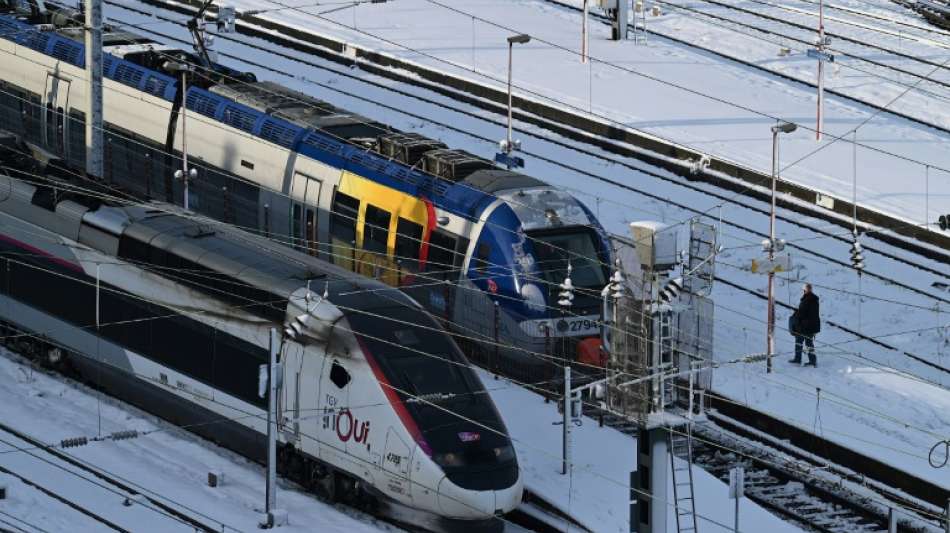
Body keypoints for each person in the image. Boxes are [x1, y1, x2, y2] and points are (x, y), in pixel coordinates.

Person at [789, 283, 820, 367]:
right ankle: (812, 361)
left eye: (804, 290)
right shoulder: (814, 299)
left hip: (804, 326)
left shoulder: (807, 300)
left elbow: (803, 313)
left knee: (799, 342)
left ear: (805, 290)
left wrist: (796, 313)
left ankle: (798, 359)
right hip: (811, 326)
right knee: (808, 343)